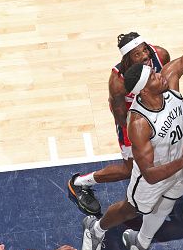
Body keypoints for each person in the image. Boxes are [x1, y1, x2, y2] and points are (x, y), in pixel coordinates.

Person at [81, 11, 183, 250]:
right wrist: (182, 161)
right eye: (153, 77)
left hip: (181, 157)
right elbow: (147, 173)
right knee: (132, 208)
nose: (161, 74)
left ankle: (140, 242)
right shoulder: (138, 124)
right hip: (162, 165)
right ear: (144, 89)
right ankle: (96, 229)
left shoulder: (169, 77)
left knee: (169, 202)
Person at [67, 33, 170, 216]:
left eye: (145, 49)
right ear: (128, 58)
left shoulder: (160, 56)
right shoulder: (118, 81)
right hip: (132, 120)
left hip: (155, 112)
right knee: (129, 169)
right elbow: (121, 117)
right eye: (137, 54)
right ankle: (79, 183)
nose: (145, 55)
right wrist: (144, 133)